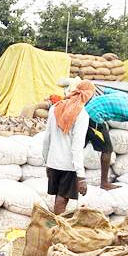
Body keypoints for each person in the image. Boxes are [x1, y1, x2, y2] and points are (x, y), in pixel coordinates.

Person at [41, 81, 92, 214]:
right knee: (62, 198)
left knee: (58, 195)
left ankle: (55, 225)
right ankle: (58, 228)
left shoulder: (55, 108)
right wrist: (81, 177)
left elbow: (47, 138)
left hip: (53, 161)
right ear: (89, 96)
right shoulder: (81, 114)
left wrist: (47, 161)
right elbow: (76, 147)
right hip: (68, 165)